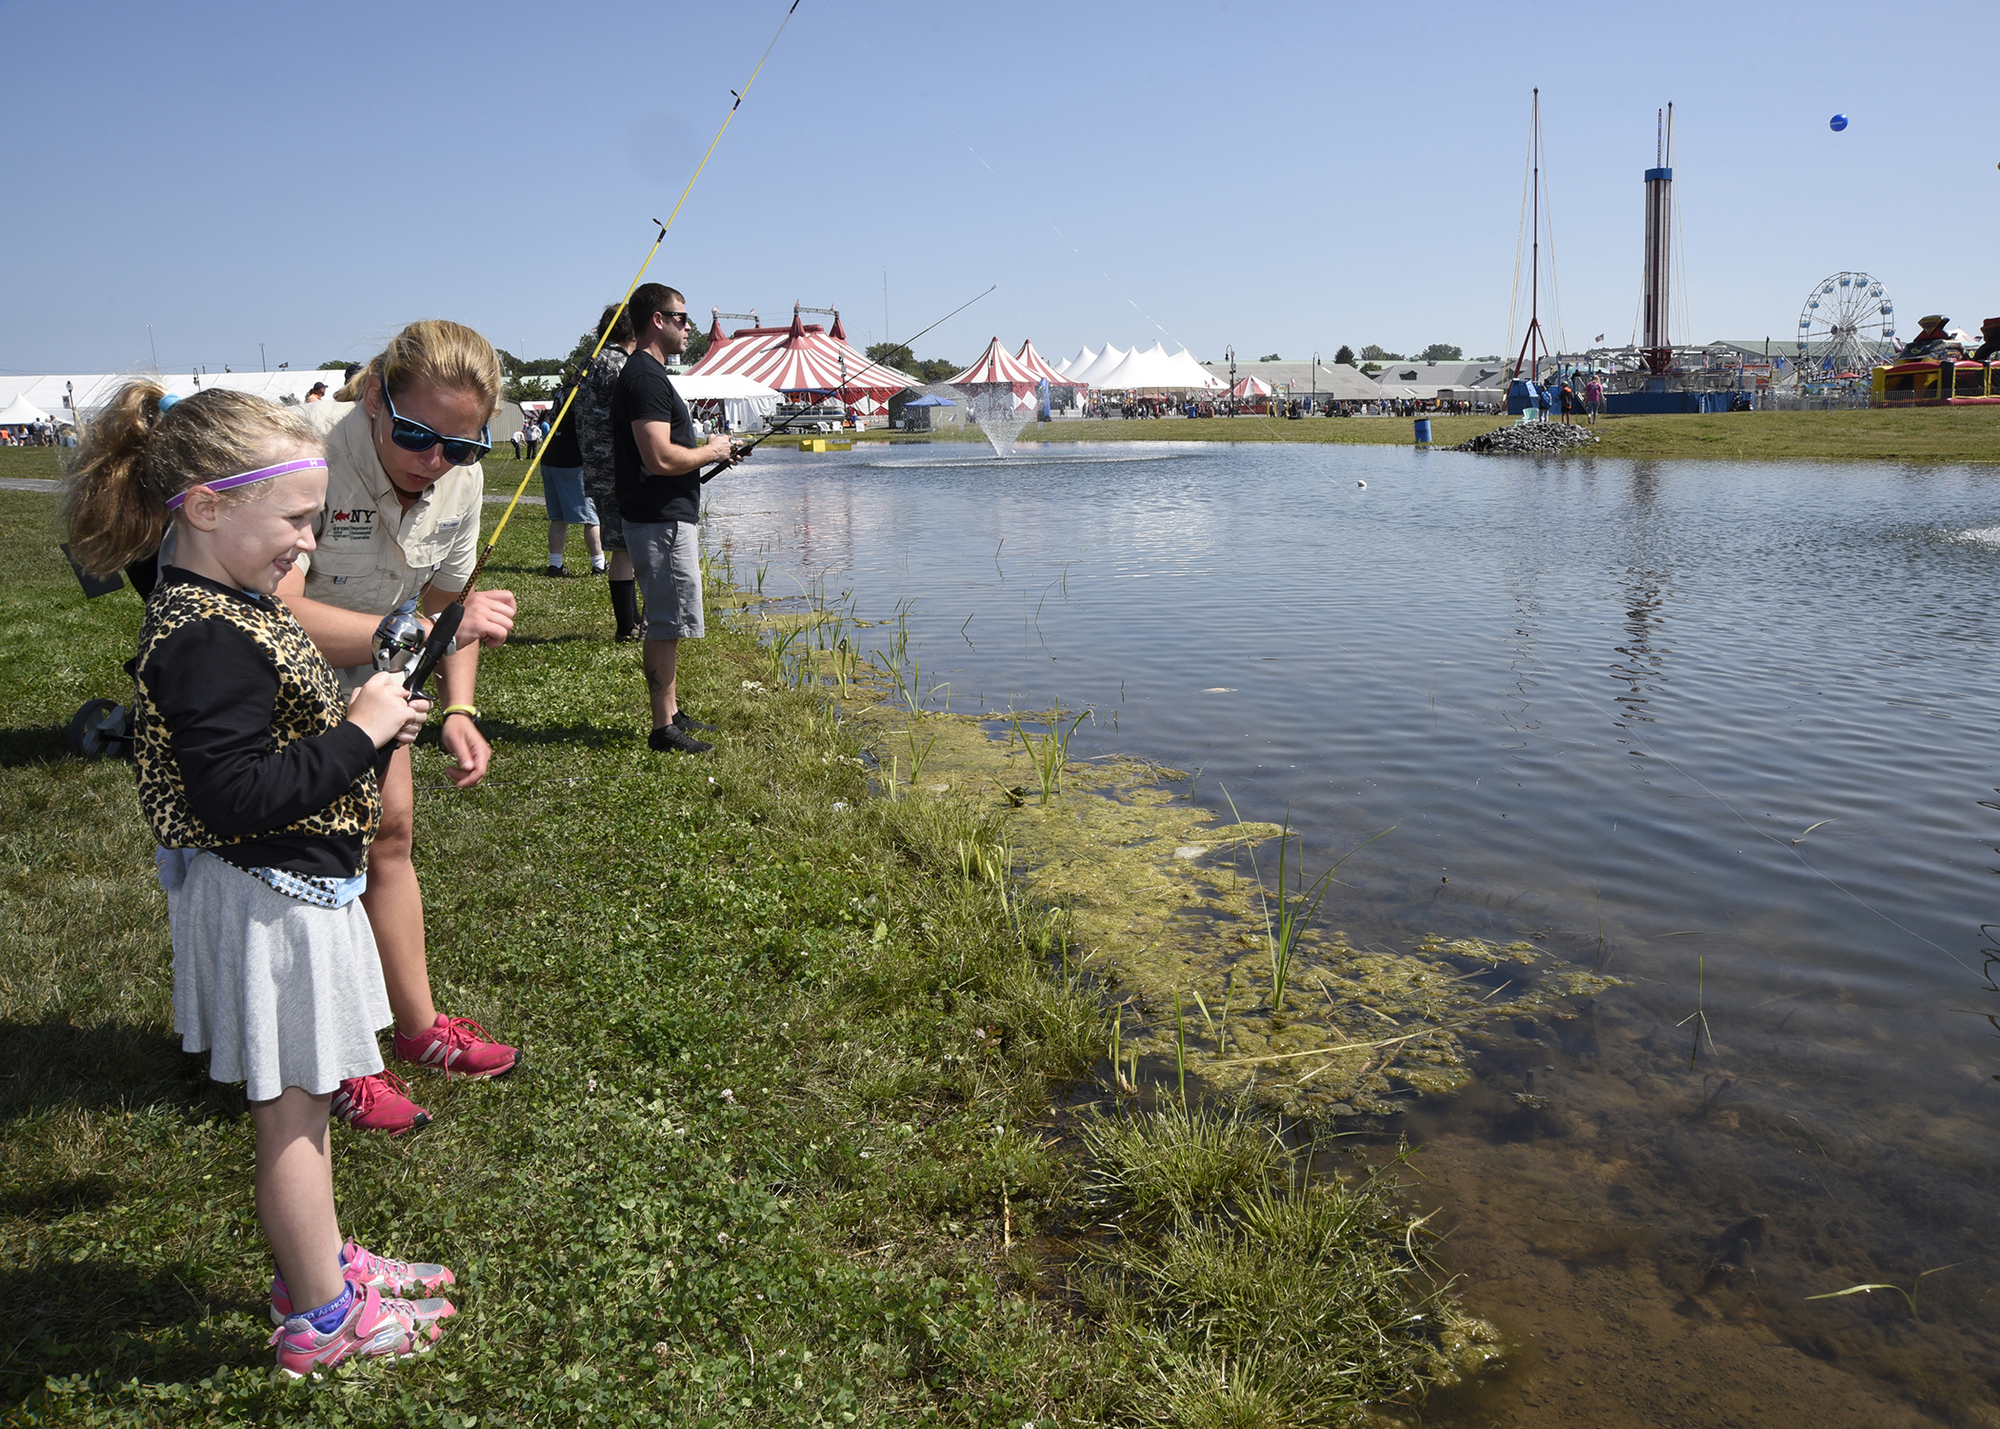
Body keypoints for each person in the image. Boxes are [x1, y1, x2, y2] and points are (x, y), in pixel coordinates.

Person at [60, 382, 458, 1374]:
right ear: (203, 505)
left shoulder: (225, 603)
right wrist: (363, 732)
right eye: (292, 520)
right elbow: (237, 795)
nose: (308, 544)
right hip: (266, 901)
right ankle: (321, 1318)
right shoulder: (201, 636)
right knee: (292, 1113)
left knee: (312, 1097)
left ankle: (319, 1260)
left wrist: (366, 709)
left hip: (292, 891)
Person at [280, 320, 520, 1135]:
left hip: (383, 669)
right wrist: (416, 633)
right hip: (271, 676)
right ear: (377, 399)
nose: (437, 460)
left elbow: (449, 602)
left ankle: (418, 1032)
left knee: (389, 835)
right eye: (418, 434)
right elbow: (272, 613)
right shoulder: (302, 451)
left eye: (463, 444)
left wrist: (458, 706)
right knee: (312, 864)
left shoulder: (459, 474)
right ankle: (337, 1058)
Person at [610, 284, 739, 754]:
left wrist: (713, 454)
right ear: (657, 321)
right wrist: (710, 450)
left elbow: (667, 455)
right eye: (681, 318)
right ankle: (663, 729)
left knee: (669, 619)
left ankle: (673, 711)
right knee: (666, 622)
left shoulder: (650, 375)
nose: (690, 327)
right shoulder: (644, 378)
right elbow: (659, 459)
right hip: (659, 520)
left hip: (662, 515)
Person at [577, 304, 641, 640]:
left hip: (596, 467)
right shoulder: (620, 363)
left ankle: (632, 620)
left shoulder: (590, 361)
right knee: (626, 548)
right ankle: (627, 626)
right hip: (619, 467)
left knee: (621, 546)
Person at [539, 374, 604, 577]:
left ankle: (555, 564)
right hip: (571, 461)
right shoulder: (580, 393)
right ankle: (599, 564)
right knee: (592, 517)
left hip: (549, 458)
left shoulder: (562, 391)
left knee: (558, 517)